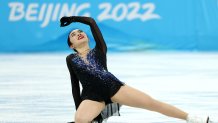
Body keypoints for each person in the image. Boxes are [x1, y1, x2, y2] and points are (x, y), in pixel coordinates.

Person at [60, 16, 211, 123]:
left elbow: (91, 22)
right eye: (73, 34)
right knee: (80, 120)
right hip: (92, 96)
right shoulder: (71, 59)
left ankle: (190, 118)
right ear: (71, 45)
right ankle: (98, 117)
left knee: (152, 103)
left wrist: (73, 19)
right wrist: (79, 109)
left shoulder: (99, 49)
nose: (78, 34)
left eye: (80, 32)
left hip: (114, 88)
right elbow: (74, 86)